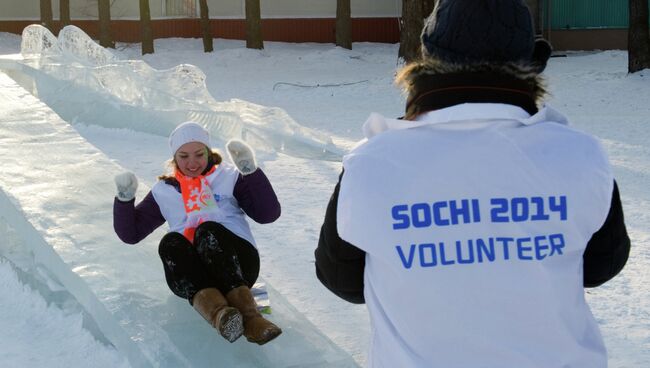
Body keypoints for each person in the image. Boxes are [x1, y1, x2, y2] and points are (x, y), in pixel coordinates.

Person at [315, 0, 631, 367]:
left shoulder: (370, 162)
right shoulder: (579, 154)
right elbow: (601, 266)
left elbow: (341, 279)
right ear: (528, 65)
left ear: (426, 59)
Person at [113, 121, 282, 345]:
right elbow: (131, 234)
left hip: (239, 264)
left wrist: (250, 172)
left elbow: (267, 214)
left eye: (199, 154)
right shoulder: (164, 191)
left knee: (206, 230)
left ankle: (252, 319)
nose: (192, 163)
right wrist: (124, 200)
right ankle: (221, 316)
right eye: (183, 156)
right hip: (195, 276)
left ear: (209, 152)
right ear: (174, 158)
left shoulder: (228, 177)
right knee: (170, 242)